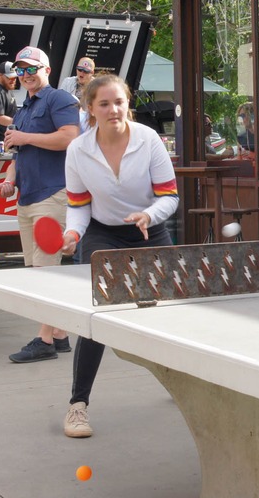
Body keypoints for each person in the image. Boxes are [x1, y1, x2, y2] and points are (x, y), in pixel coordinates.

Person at [58, 74, 178, 438]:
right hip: (104, 233)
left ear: (128, 103)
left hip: (149, 229)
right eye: (104, 104)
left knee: (179, 309)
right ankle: (78, 406)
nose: (113, 109)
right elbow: (79, 205)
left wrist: (148, 215)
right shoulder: (78, 150)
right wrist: (72, 232)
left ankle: (189, 381)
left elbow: (169, 197)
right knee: (97, 315)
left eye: (119, 102)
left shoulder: (149, 140)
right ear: (90, 109)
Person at [0, 46, 80, 363]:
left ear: (47, 69)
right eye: (20, 70)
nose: (26, 74)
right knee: (36, 273)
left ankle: (44, 339)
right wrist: (9, 180)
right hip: (27, 196)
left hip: (52, 194)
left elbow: (70, 137)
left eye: (32, 68)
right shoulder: (23, 108)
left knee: (47, 274)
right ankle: (59, 334)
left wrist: (24, 138)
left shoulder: (58, 98)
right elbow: (17, 155)